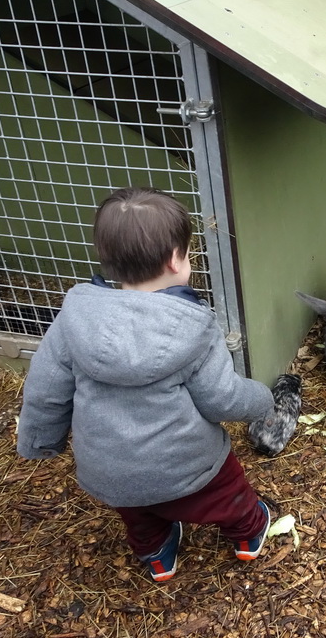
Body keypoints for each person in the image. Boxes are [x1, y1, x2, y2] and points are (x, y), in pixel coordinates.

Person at [16, 186, 275, 582]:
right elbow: (221, 399)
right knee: (227, 494)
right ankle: (248, 534)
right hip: (187, 463)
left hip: (109, 471)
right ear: (175, 259)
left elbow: (45, 389)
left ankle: (156, 556)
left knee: (139, 516)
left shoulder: (75, 319)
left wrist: (40, 441)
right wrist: (263, 399)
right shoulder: (192, 327)